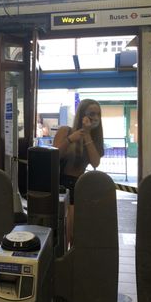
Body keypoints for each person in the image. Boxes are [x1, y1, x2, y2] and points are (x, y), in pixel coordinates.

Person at [53, 98, 105, 245]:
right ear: (82, 114)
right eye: (91, 113)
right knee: (65, 233)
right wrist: (70, 139)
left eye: (98, 114)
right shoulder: (65, 131)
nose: (95, 118)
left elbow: (95, 162)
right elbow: (54, 156)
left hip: (80, 187)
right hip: (61, 185)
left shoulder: (94, 138)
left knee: (77, 235)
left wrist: (87, 134)